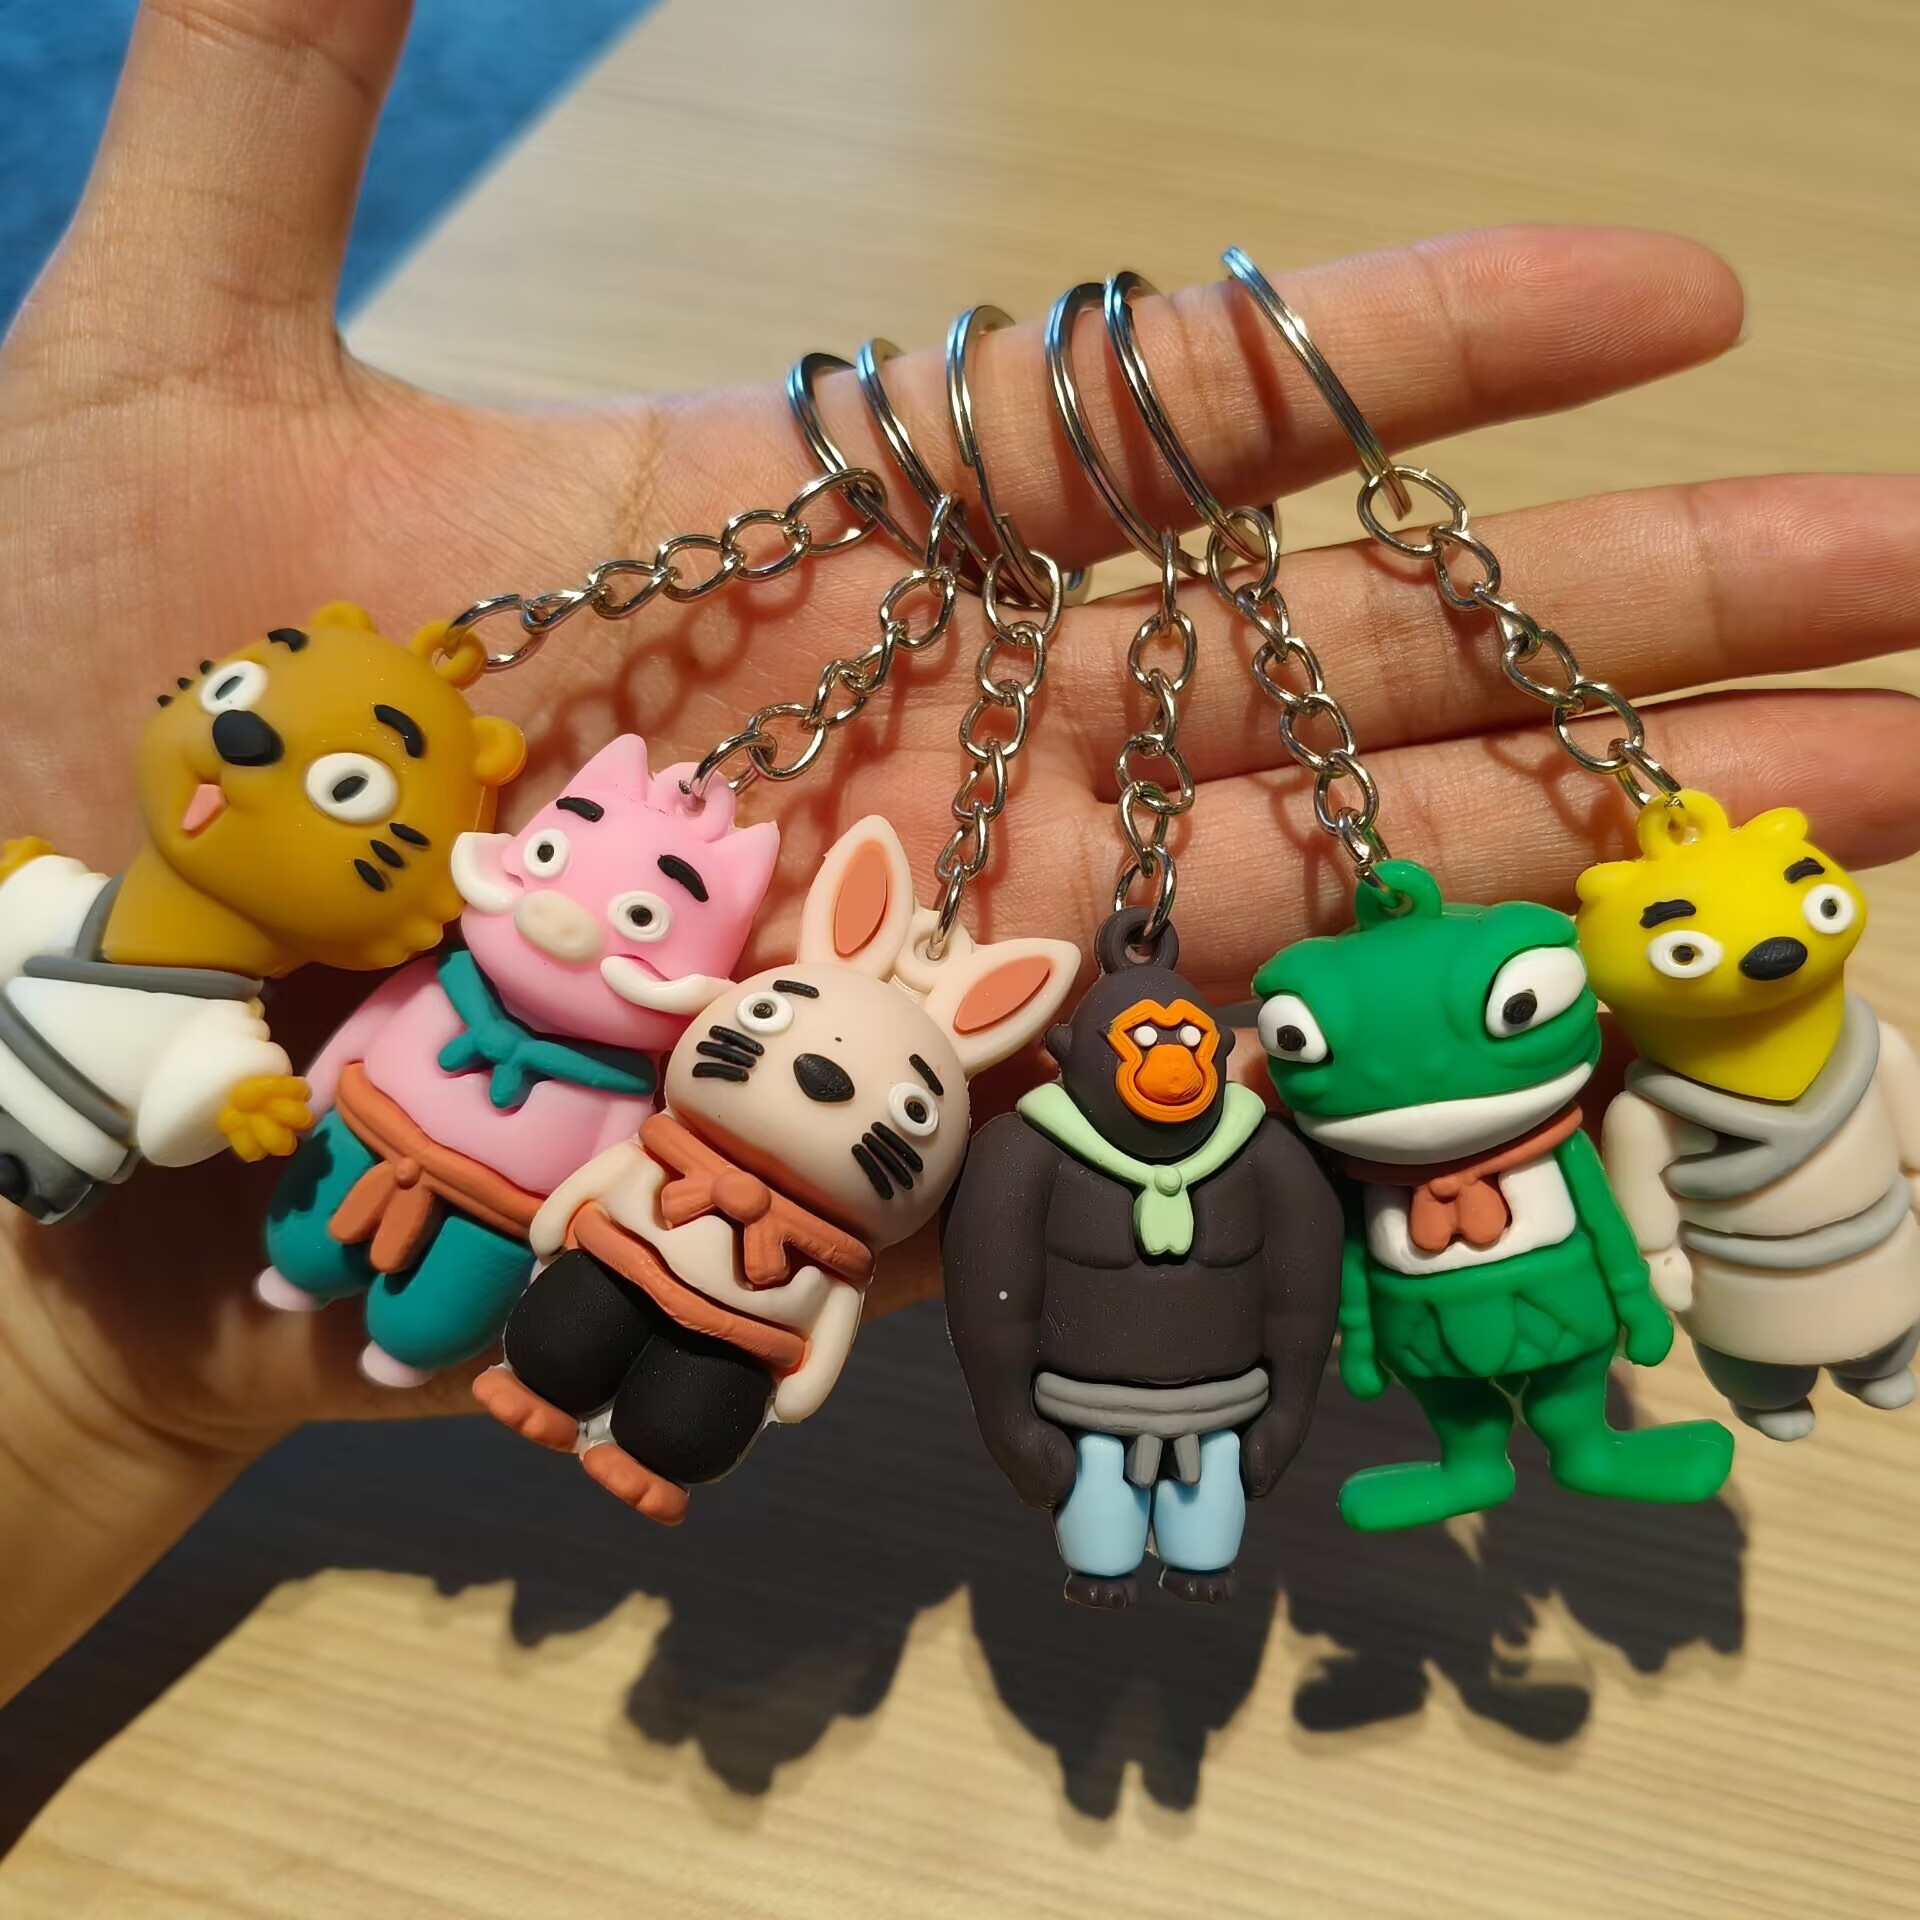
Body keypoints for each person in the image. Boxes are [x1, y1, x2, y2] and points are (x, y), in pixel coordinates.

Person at [4, 0, 1919, 1706]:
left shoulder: (1134, 1121)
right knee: (414, 1278)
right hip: (457, 1160)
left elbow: (1240, 1281)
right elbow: (563, 1138)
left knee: (545, 1334)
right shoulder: (601, 1021)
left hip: (708, 1262)